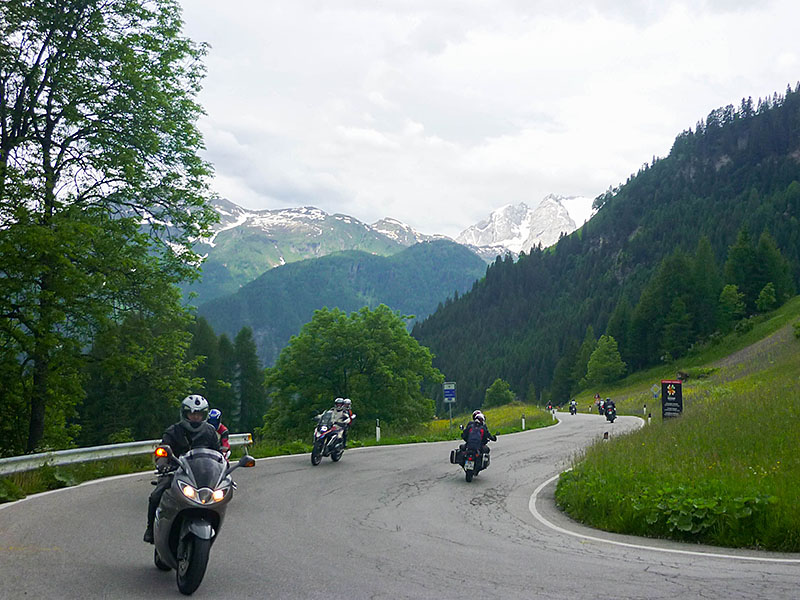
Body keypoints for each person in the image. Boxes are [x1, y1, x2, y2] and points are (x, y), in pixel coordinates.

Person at [143, 394, 220, 544]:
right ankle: (150, 529)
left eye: (199, 414)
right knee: (156, 495)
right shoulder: (173, 431)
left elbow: (218, 455)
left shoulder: (210, 432)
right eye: (192, 414)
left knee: (219, 496)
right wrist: (162, 464)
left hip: (201, 474)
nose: (195, 417)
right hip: (175, 471)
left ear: (204, 415)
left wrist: (223, 467)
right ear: (185, 414)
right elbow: (162, 451)